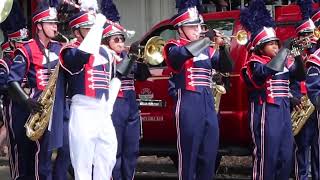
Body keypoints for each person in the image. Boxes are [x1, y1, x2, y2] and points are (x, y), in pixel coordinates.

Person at [60, 10, 136, 179]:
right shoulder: (70, 50)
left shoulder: (105, 52)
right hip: (83, 109)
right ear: (76, 32)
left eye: (93, 28)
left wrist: (108, 106)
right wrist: (98, 25)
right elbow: (82, 56)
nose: (93, 31)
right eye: (88, 28)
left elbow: (115, 78)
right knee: (83, 161)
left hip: (102, 110)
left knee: (108, 155)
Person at [163, 6, 233, 180]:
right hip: (188, 102)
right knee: (189, 156)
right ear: (180, 29)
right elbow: (181, 55)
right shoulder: (173, 46)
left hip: (208, 102)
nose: (198, 30)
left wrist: (223, 48)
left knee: (209, 155)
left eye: (199, 26)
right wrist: (206, 39)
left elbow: (227, 67)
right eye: (192, 27)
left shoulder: (206, 49)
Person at [7, 3, 68, 179]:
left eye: (56, 23)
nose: (55, 26)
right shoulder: (26, 49)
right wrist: (27, 101)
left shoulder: (60, 47)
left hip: (56, 108)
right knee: (33, 159)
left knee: (56, 154)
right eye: (50, 23)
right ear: (39, 26)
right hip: (35, 108)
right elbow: (12, 82)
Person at [101, 23, 149, 179]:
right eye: (117, 40)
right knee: (115, 151)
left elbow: (143, 76)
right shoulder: (104, 58)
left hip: (131, 105)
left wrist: (141, 58)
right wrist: (131, 57)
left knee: (132, 150)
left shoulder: (126, 57)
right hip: (115, 105)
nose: (121, 43)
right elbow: (118, 72)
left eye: (122, 39)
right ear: (106, 41)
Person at [291, 18, 320, 180]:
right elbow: (282, 81)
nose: (311, 37)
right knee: (301, 148)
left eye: (313, 33)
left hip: (316, 106)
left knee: (317, 149)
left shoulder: (316, 54)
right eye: (307, 34)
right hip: (301, 107)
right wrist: (292, 97)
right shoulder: (292, 55)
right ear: (299, 37)